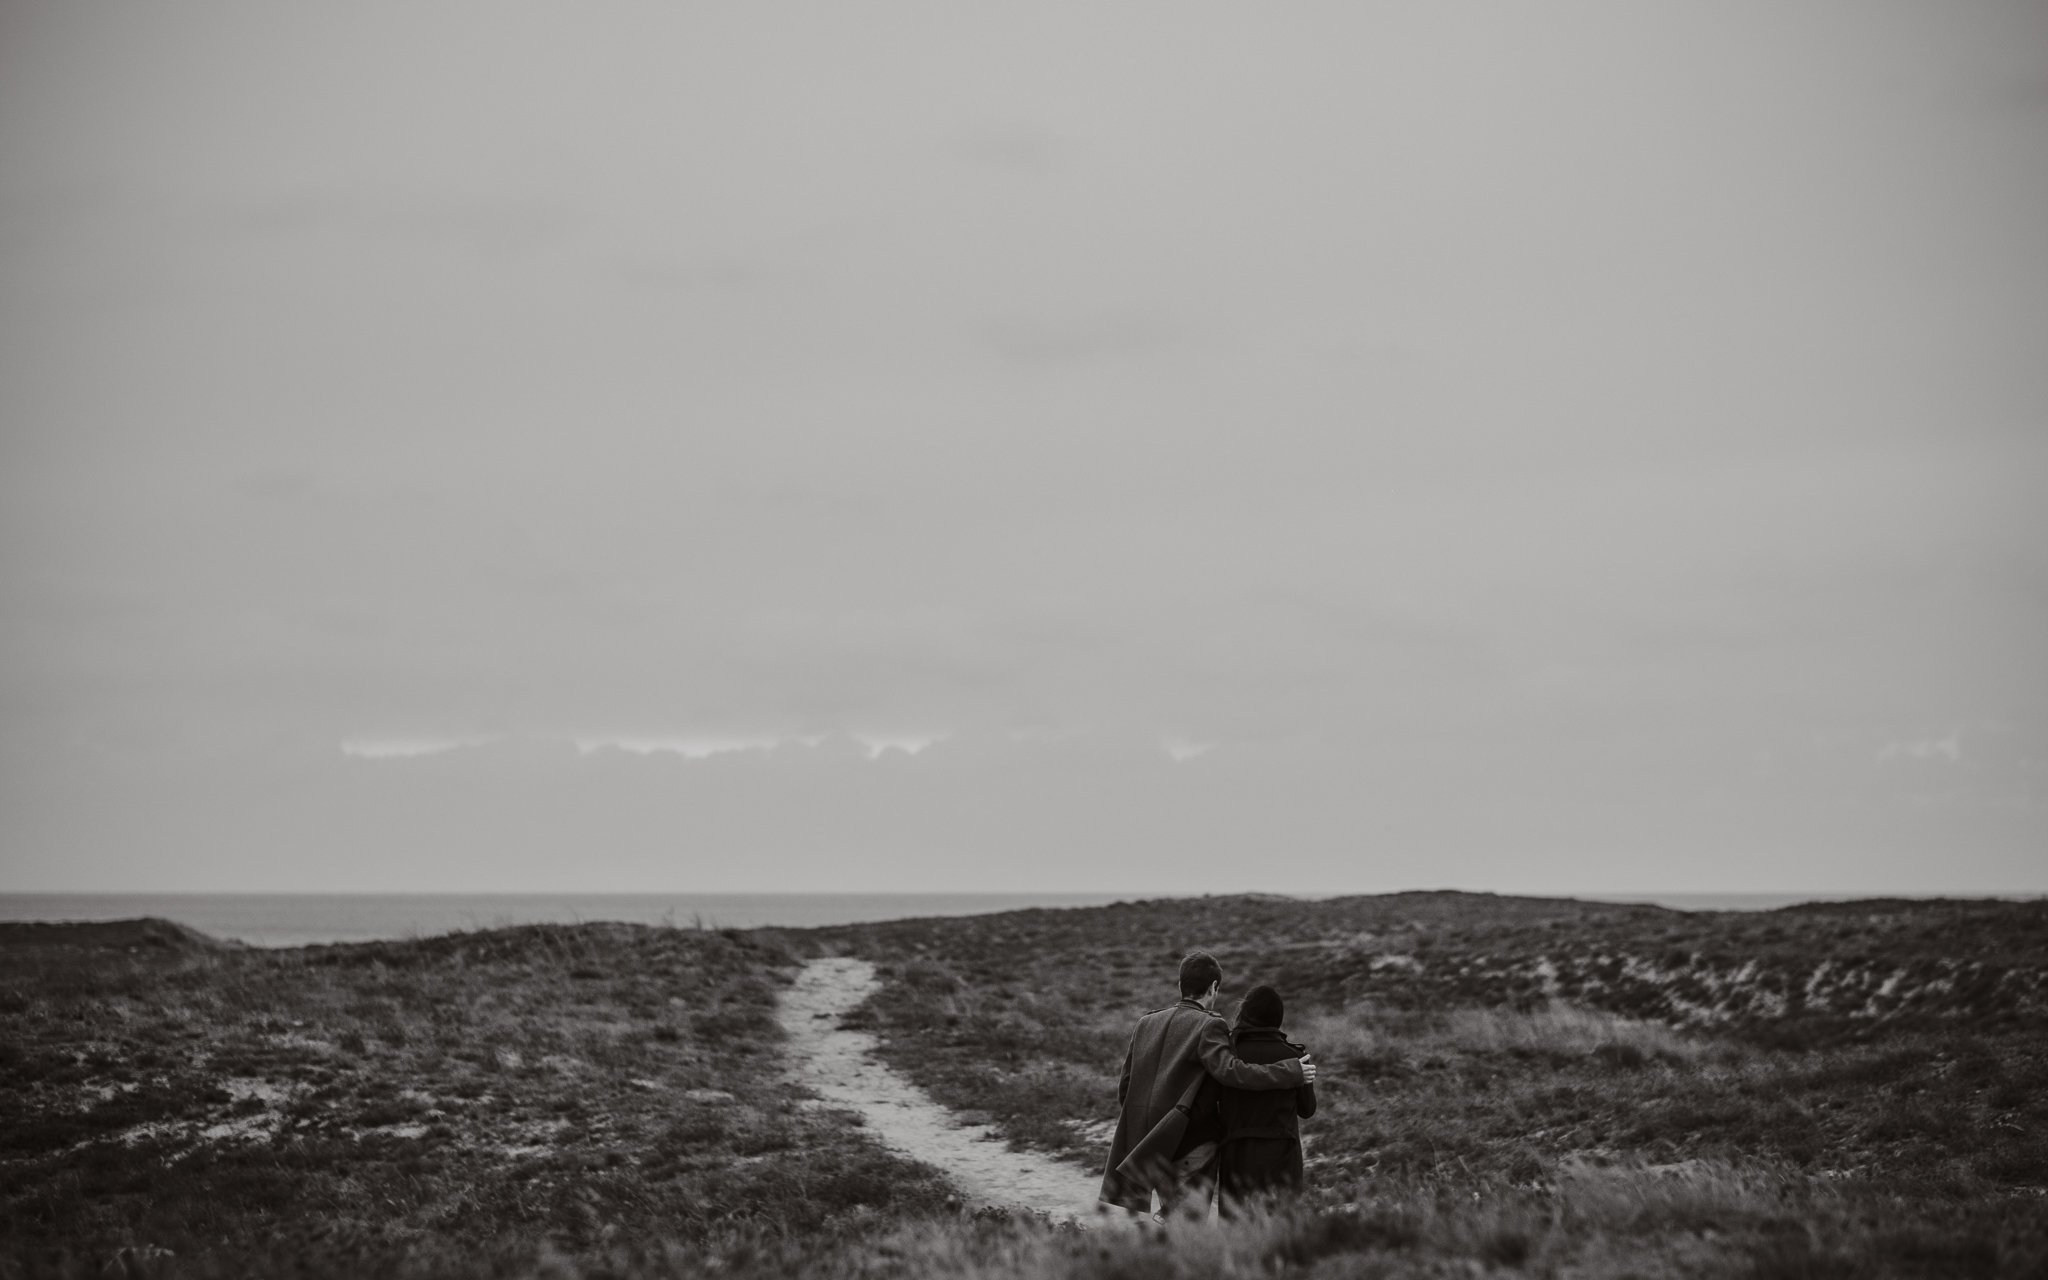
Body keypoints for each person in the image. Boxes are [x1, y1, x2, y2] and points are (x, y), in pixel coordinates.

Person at [1098, 952, 1316, 1215]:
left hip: (1145, 1144)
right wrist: (1291, 1071)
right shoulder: (1210, 1025)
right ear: (1214, 987)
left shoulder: (1145, 1023)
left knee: (1171, 1224)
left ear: (1180, 985)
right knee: (1188, 1229)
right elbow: (1231, 1072)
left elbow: (1126, 1088)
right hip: (1190, 1143)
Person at [1193, 983, 1317, 1211]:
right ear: (1277, 1019)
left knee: (1239, 1231)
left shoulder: (1227, 1057)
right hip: (1283, 1156)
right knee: (1281, 1227)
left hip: (1237, 1156)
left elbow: (1204, 1108)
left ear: (1246, 1013)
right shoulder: (1296, 1057)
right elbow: (1307, 1110)